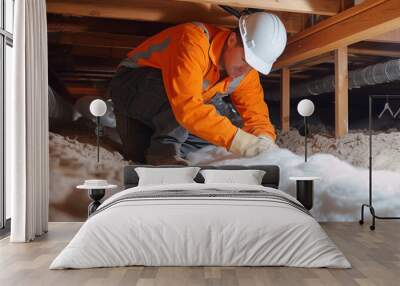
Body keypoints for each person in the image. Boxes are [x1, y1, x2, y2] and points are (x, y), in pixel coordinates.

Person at [109, 12, 287, 165]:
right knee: (193, 116)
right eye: (245, 60)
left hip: (171, 109)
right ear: (232, 40)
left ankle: (159, 142)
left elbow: (256, 116)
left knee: (212, 137)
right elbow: (188, 106)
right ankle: (164, 155)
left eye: (253, 65)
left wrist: (264, 142)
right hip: (131, 85)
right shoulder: (192, 40)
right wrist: (243, 143)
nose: (245, 70)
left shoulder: (246, 73)